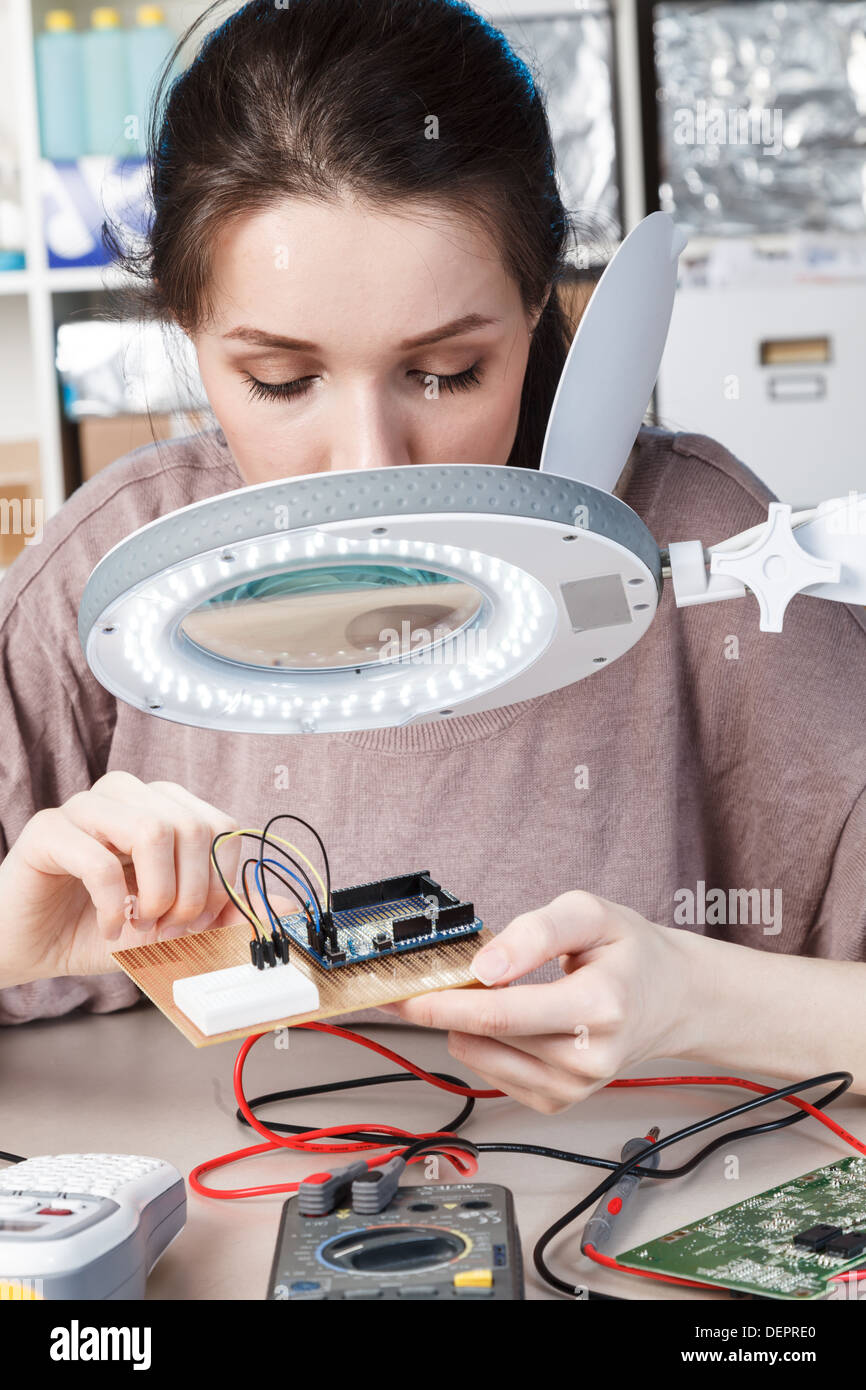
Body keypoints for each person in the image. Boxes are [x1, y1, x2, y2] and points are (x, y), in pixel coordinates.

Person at [1, 0, 865, 1113]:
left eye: (447, 371)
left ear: (539, 301)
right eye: (279, 381)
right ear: (184, 329)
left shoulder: (718, 560)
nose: (370, 469)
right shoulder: (109, 572)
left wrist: (699, 996)